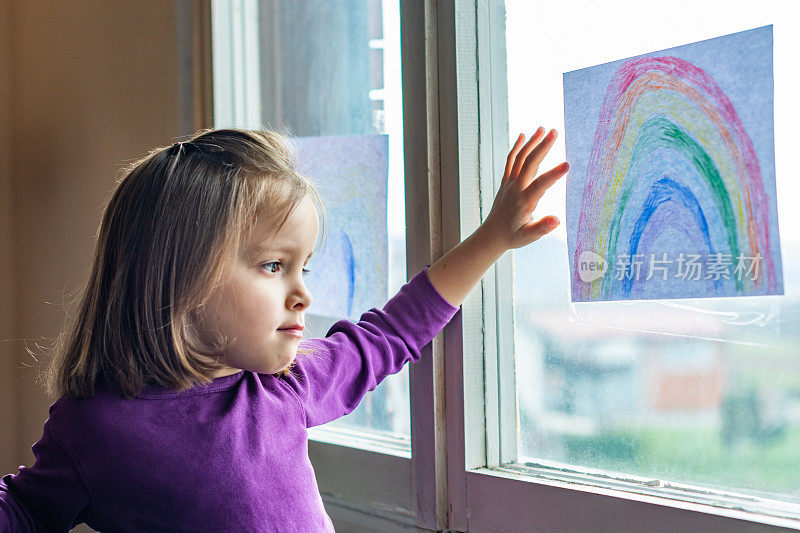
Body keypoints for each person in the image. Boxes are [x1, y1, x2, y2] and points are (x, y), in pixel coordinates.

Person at [0, 127, 568, 531]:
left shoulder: (285, 385)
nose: (304, 294)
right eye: (275, 266)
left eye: (305, 266)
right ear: (178, 275)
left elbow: (390, 334)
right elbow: (24, 512)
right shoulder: (93, 428)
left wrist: (493, 237)